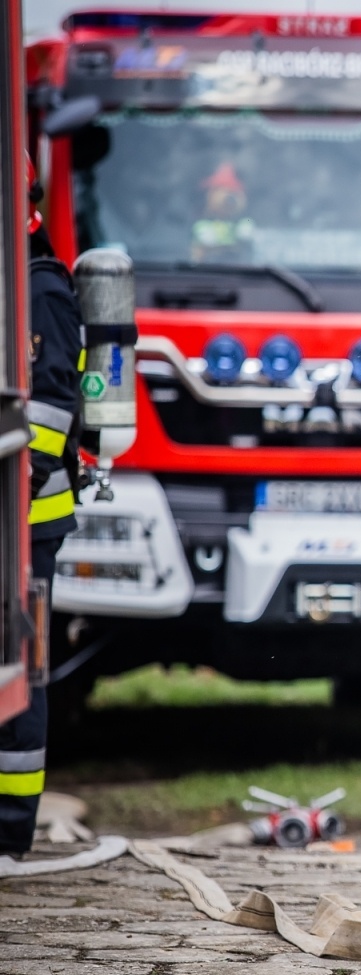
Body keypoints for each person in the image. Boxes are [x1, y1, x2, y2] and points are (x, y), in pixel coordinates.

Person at [0, 153, 83, 856]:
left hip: (29, 527)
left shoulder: (41, 291)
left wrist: (15, 490)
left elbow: (51, 412)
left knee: (21, 671)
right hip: (11, 521)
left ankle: (10, 829)